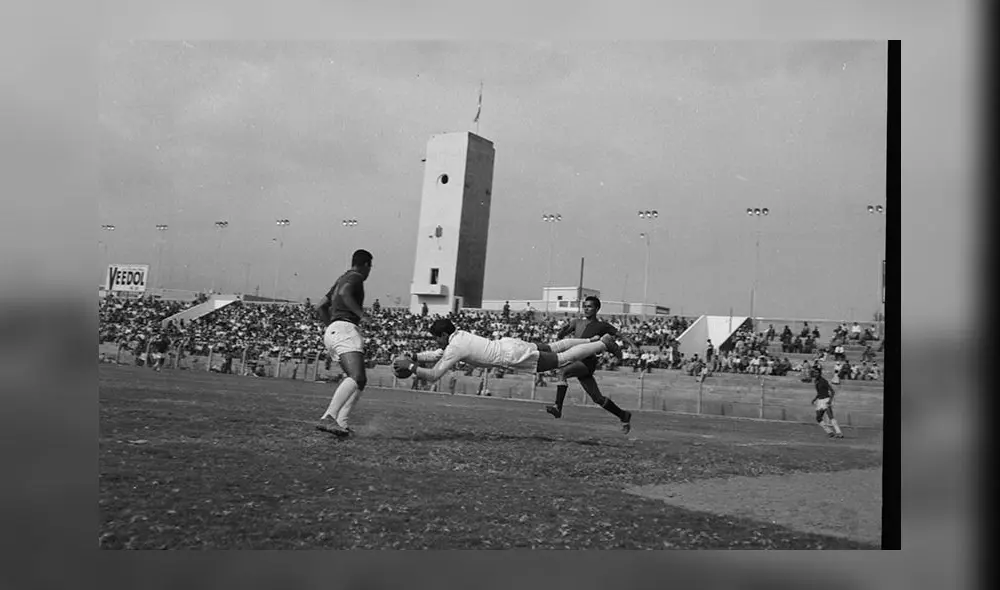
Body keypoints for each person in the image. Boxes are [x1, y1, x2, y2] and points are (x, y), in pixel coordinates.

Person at [394, 318, 623, 407]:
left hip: (511, 357)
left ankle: (603, 344)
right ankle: (591, 340)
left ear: (443, 336)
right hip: (509, 344)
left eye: (437, 338)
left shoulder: (455, 347)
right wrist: (415, 357)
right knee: (554, 347)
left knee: (560, 359)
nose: (438, 342)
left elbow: (433, 375)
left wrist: (411, 368)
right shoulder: (459, 336)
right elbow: (437, 353)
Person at [540, 296, 635, 434]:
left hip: (587, 362)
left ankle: (557, 407)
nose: (586, 309)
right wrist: (563, 330)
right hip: (576, 360)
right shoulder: (577, 322)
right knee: (597, 398)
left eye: (589, 306)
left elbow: (620, 335)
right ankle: (623, 415)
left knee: (562, 372)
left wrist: (633, 345)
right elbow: (561, 335)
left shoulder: (602, 326)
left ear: (597, 309)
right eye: (585, 306)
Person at [314, 249, 374, 438]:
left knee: (360, 380)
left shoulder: (341, 277)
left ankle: (342, 423)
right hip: (345, 329)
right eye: (370, 266)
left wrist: (331, 325)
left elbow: (321, 306)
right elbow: (345, 293)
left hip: (334, 330)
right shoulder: (355, 277)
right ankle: (329, 417)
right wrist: (362, 315)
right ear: (366, 265)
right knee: (356, 376)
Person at [810, 367, 844, 438]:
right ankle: (830, 432)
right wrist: (815, 399)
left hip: (826, 400)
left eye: (817, 372)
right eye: (814, 372)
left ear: (820, 373)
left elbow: (832, 391)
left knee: (830, 416)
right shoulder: (816, 381)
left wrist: (830, 401)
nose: (815, 374)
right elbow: (819, 392)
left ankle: (839, 432)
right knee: (818, 418)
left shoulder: (823, 381)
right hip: (820, 401)